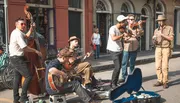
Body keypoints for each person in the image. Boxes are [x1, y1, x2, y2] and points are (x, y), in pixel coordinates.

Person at [9, 18, 42, 103]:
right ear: (16, 24)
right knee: (29, 76)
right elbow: (24, 47)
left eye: (24, 24)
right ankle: (23, 97)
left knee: (17, 78)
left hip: (15, 58)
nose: (24, 25)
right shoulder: (17, 34)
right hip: (17, 58)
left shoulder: (18, 32)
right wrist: (36, 51)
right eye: (21, 24)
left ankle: (16, 99)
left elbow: (26, 36)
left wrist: (31, 29)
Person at [120, 14, 144, 83]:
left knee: (132, 64)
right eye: (131, 19)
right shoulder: (125, 28)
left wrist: (140, 25)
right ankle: (124, 77)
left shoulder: (136, 28)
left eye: (133, 19)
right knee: (124, 63)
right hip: (126, 48)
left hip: (134, 48)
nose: (132, 21)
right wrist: (127, 37)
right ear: (127, 20)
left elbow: (141, 33)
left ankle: (131, 77)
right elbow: (122, 37)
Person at [152, 15, 174, 89]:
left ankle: (165, 82)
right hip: (158, 48)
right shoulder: (156, 30)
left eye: (161, 21)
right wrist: (154, 40)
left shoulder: (169, 28)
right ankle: (160, 80)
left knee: (164, 66)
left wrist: (162, 34)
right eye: (159, 21)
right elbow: (154, 42)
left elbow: (171, 38)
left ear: (164, 21)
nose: (160, 22)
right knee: (157, 66)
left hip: (166, 48)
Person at [106, 15, 127, 88]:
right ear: (121, 22)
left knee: (119, 67)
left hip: (120, 49)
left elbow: (121, 39)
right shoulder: (113, 28)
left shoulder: (122, 29)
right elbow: (114, 38)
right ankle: (112, 83)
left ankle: (116, 81)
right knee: (117, 67)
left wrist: (125, 38)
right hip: (113, 50)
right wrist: (122, 35)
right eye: (124, 22)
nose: (125, 23)